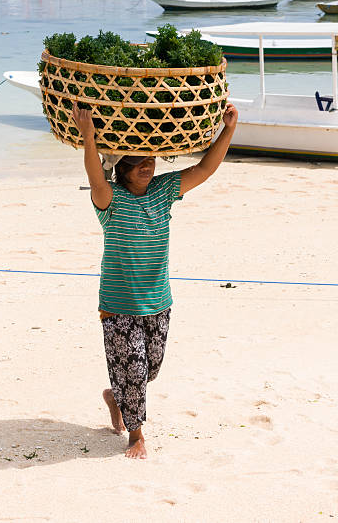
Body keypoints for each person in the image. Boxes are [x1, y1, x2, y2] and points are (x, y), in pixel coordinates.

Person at [72, 101, 238, 460]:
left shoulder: (164, 192)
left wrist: (229, 129)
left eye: (150, 160)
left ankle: (116, 398)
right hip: (117, 305)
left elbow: (206, 168)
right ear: (123, 169)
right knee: (132, 366)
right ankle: (136, 435)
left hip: (158, 300)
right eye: (137, 162)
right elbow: (94, 177)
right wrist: (89, 136)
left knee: (150, 369)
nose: (147, 166)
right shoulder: (110, 200)